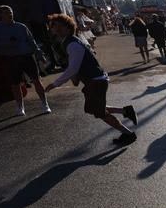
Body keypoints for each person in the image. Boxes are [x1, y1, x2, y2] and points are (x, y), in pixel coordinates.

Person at [43, 14, 138, 145]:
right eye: (54, 26)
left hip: (96, 81)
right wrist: (74, 78)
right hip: (94, 80)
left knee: (99, 112)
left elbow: (73, 68)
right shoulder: (69, 41)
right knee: (95, 109)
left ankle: (128, 133)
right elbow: (74, 67)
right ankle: (125, 111)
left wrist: (55, 83)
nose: (57, 29)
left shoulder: (72, 44)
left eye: (61, 26)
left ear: (68, 27)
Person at [0, 5, 51, 116]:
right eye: (6, 12)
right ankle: (20, 107)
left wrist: (40, 54)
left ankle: (45, 104)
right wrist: (6, 43)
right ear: (0, 15)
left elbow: (31, 41)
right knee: (15, 83)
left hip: (26, 56)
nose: (9, 14)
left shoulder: (21, 26)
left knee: (36, 80)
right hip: (9, 58)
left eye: (10, 12)